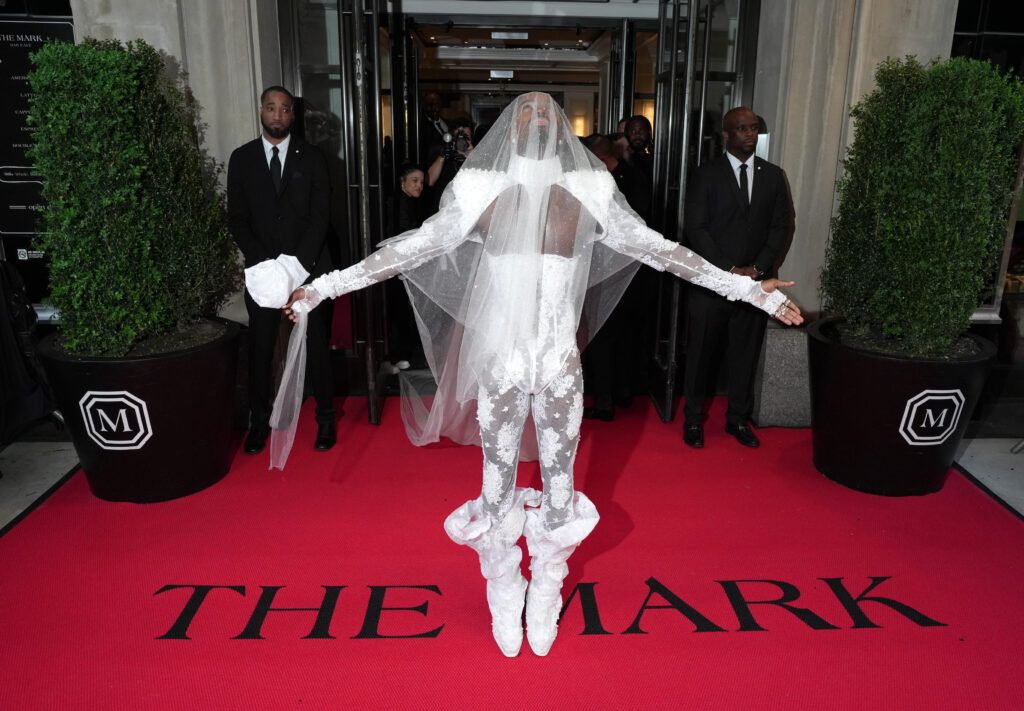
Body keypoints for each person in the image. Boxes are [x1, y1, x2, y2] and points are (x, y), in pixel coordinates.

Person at [281, 93, 801, 657]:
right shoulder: (479, 188)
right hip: (501, 363)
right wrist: (324, 287)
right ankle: (504, 586)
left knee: (560, 487)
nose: (535, 120)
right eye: (523, 112)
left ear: (560, 130)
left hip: (558, 365)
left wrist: (750, 291)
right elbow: (412, 249)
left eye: (545, 113)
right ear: (508, 128)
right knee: (495, 486)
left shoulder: (591, 189)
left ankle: (547, 586)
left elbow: (663, 251)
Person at [228, 85, 336, 455]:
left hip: (309, 269)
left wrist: (295, 266)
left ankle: (326, 420)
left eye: (285, 109)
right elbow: (237, 218)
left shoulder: (313, 157)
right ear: (261, 111)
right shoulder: (241, 158)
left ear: (293, 114)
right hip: (262, 272)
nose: (278, 114)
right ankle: (259, 424)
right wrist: (267, 265)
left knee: (317, 345)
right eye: (271, 107)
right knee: (260, 349)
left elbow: (321, 217)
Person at [681, 106, 792, 450]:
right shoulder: (706, 174)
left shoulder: (773, 175)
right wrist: (729, 269)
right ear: (726, 135)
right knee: (701, 353)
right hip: (713, 282)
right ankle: (693, 419)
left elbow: (781, 226)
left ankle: (738, 419)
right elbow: (696, 228)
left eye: (754, 128)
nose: (750, 134)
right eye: (742, 129)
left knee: (746, 353)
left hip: (756, 284)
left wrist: (757, 268)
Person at [382, 163, 428, 372]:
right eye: (414, 181)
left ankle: (403, 354)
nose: (419, 185)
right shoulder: (395, 202)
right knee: (398, 309)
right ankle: (396, 356)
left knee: (406, 310)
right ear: (402, 181)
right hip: (395, 264)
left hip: (407, 263)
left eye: (421, 182)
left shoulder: (412, 202)